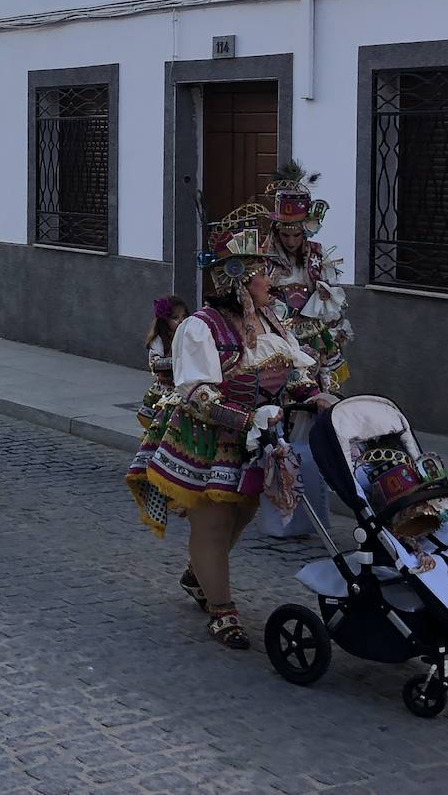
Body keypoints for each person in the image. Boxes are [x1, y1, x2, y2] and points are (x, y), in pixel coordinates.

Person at [124, 203, 331, 651]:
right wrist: (246, 419)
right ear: (239, 280)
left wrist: (315, 398)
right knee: (215, 523)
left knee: (244, 510)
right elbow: (196, 394)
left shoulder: (271, 321)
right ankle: (222, 612)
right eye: (263, 274)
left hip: (257, 441)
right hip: (209, 439)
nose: (272, 283)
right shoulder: (200, 328)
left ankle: (198, 574)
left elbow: (291, 374)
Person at [264, 161, 353, 392]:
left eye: (296, 236)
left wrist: (326, 296)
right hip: (278, 335)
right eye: (285, 235)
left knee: (321, 387)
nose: (291, 242)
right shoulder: (263, 259)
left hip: (315, 334)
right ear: (276, 231)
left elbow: (334, 302)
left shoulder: (318, 255)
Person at [138, 295, 190, 432]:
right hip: (166, 389)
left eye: (184, 316)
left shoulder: (191, 335)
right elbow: (155, 363)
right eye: (175, 318)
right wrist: (178, 361)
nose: (181, 321)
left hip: (185, 386)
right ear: (165, 321)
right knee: (163, 426)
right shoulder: (159, 339)